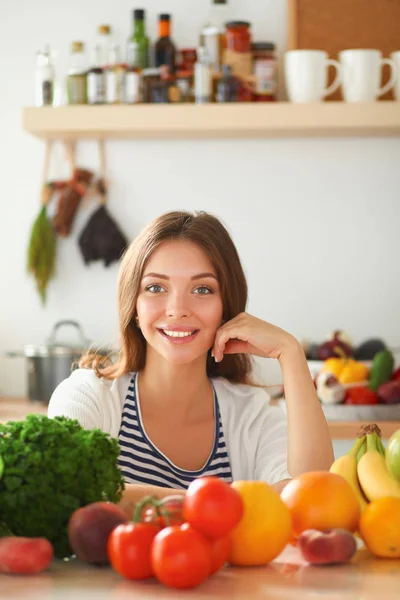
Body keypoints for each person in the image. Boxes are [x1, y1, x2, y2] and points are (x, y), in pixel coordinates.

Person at [48, 210, 333, 515]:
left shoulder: (251, 415)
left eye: (202, 289)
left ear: (226, 308)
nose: (177, 309)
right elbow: (68, 489)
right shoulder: (88, 397)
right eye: (156, 287)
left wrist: (290, 353)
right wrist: (217, 504)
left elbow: (313, 501)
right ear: (134, 305)